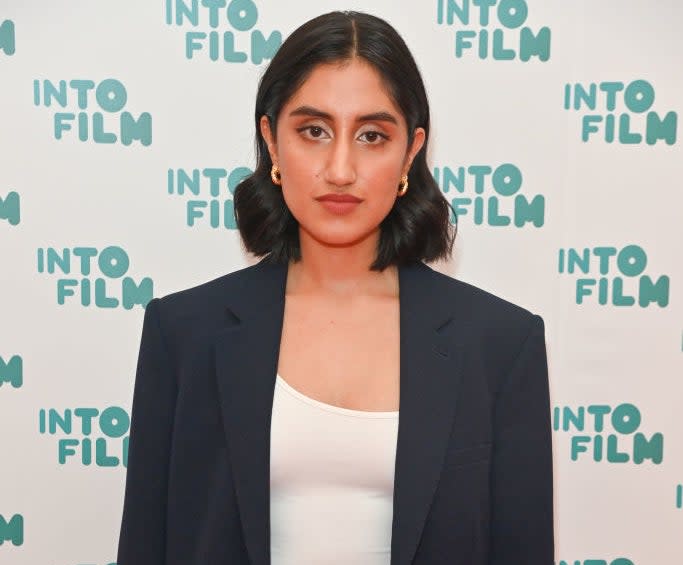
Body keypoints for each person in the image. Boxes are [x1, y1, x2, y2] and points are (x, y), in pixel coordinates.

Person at [116, 10, 553, 565]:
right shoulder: (183, 333)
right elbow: (146, 548)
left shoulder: (499, 343)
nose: (340, 168)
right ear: (271, 141)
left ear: (410, 152)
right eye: (314, 131)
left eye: (372, 135)